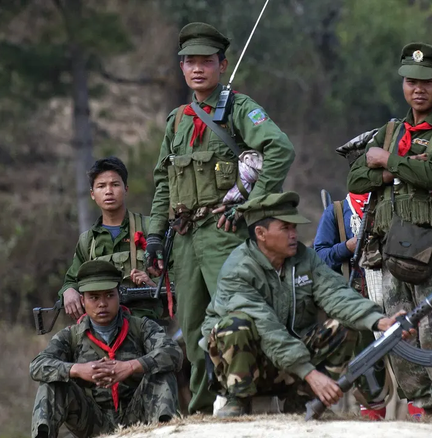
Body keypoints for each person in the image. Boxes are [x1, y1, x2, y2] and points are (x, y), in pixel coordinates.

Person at [145, 22, 295, 414]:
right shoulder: (177, 121)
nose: (198, 69)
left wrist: (253, 205)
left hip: (225, 231)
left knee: (239, 314)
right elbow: (164, 182)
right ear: (181, 68)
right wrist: (155, 237)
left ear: (222, 65)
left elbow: (279, 149)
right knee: (193, 327)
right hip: (185, 238)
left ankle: (253, 399)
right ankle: (201, 408)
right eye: (190, 62)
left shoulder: (239, 109)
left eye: (206, 62)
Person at [200, 192, 413, 417]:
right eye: (285, 228)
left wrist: (379, 321)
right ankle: (238, 399)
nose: (294, 234)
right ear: (261, 233)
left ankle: (302, 400)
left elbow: (337, 294)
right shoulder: (238, 269)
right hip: (253, 364)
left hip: (290, 360)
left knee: (344, 326)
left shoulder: (304, 258)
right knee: (237, 324)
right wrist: (309, 373)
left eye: (294, 227)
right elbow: (267, 328)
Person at [346, 42, 432, 420]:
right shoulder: (391, 131)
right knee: (398, 333)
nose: (418, 88)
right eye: (411, 81)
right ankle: (419, 419)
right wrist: (395, 165)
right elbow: (356, 176)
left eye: (427, 81)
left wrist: (388, 161)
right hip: (390, 247)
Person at [30, 260, 183, 438]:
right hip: (92, 421)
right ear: (82, 300)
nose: (102, 304)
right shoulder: (71, 336)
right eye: (94, 297)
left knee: (162, 373)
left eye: (109, 295)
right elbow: (37, 366)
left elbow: (173, 352)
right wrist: (78, 370)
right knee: (51, 385)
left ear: (119, 295)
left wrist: (131, 366)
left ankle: (165, 434)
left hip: (137, 416)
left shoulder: (140, 327)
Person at [60, 157, 163, 321]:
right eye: (101, 186)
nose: (108, 191)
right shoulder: (88, 241)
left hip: (146, 324)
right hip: (101, 328)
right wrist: (68, 291)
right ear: (92, 194)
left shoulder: (152, 229)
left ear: (126, 189)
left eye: (115, 185)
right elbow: (72, 280)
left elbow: (178, 274)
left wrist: (152, 283)